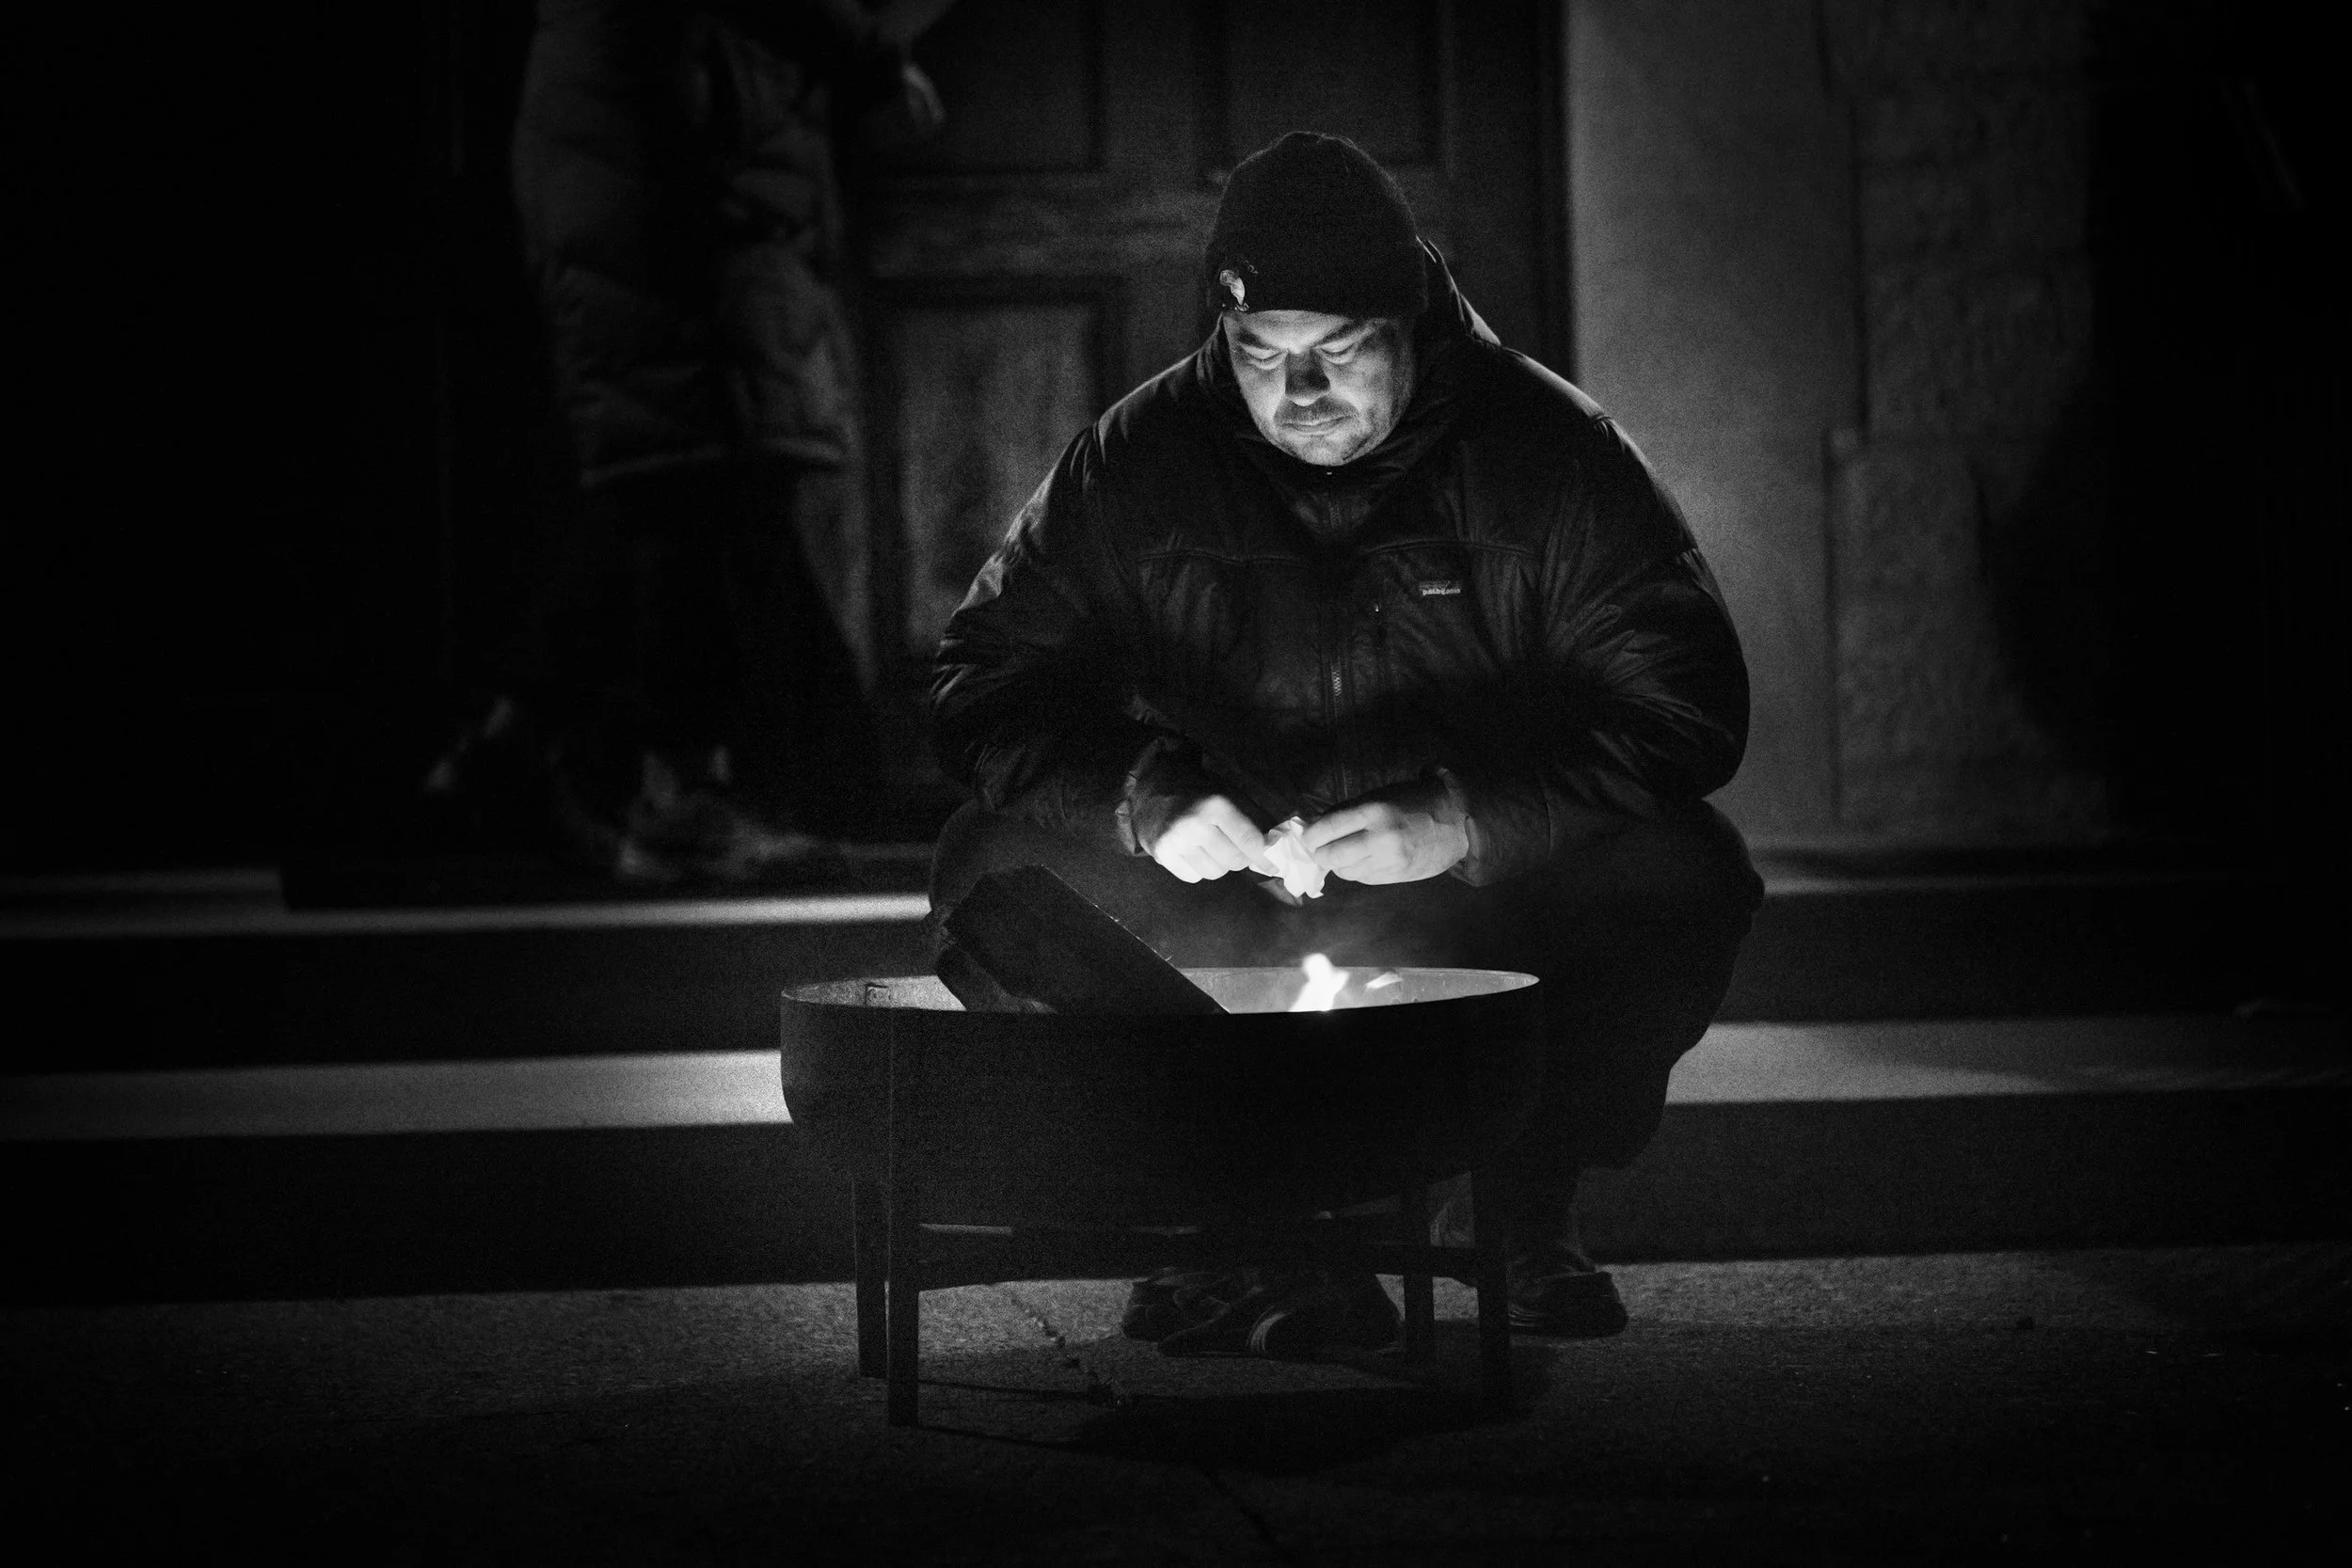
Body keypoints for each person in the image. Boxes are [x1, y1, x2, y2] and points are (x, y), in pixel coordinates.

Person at [927, 132, 1763, 1351]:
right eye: (1260, 353)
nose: (1298, 392)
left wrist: (1470, 814)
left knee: (1679, 866)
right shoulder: (1142, 458)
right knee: (992, 865)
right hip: (1218, 887)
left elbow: (1690, 702)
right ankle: (1214, 1211)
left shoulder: (1547, 453)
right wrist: (1145, 796)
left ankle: (1519, 1197)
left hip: (1468, 893)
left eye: (1339, 350)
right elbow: (979, 684)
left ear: (1410, 316)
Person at [431, 1, 947, 884]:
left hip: (664, 157)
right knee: (693, 483)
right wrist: (868, 58)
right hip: (666, 169)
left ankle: (509, 756)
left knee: (669, 488)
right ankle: (675, 794)